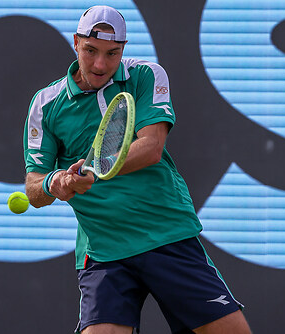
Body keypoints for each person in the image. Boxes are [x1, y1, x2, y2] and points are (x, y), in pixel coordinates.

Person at [24, 5, 252, 334]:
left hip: (166, 234)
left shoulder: (146, 75)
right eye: (91, 51)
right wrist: (55, 183)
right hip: (104, 250)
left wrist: (95, 170)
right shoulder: (45, 104)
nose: (101, 64)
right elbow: (33, 187)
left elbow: (151, 147)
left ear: (123, 49)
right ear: (76, 43)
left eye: (111, 53)